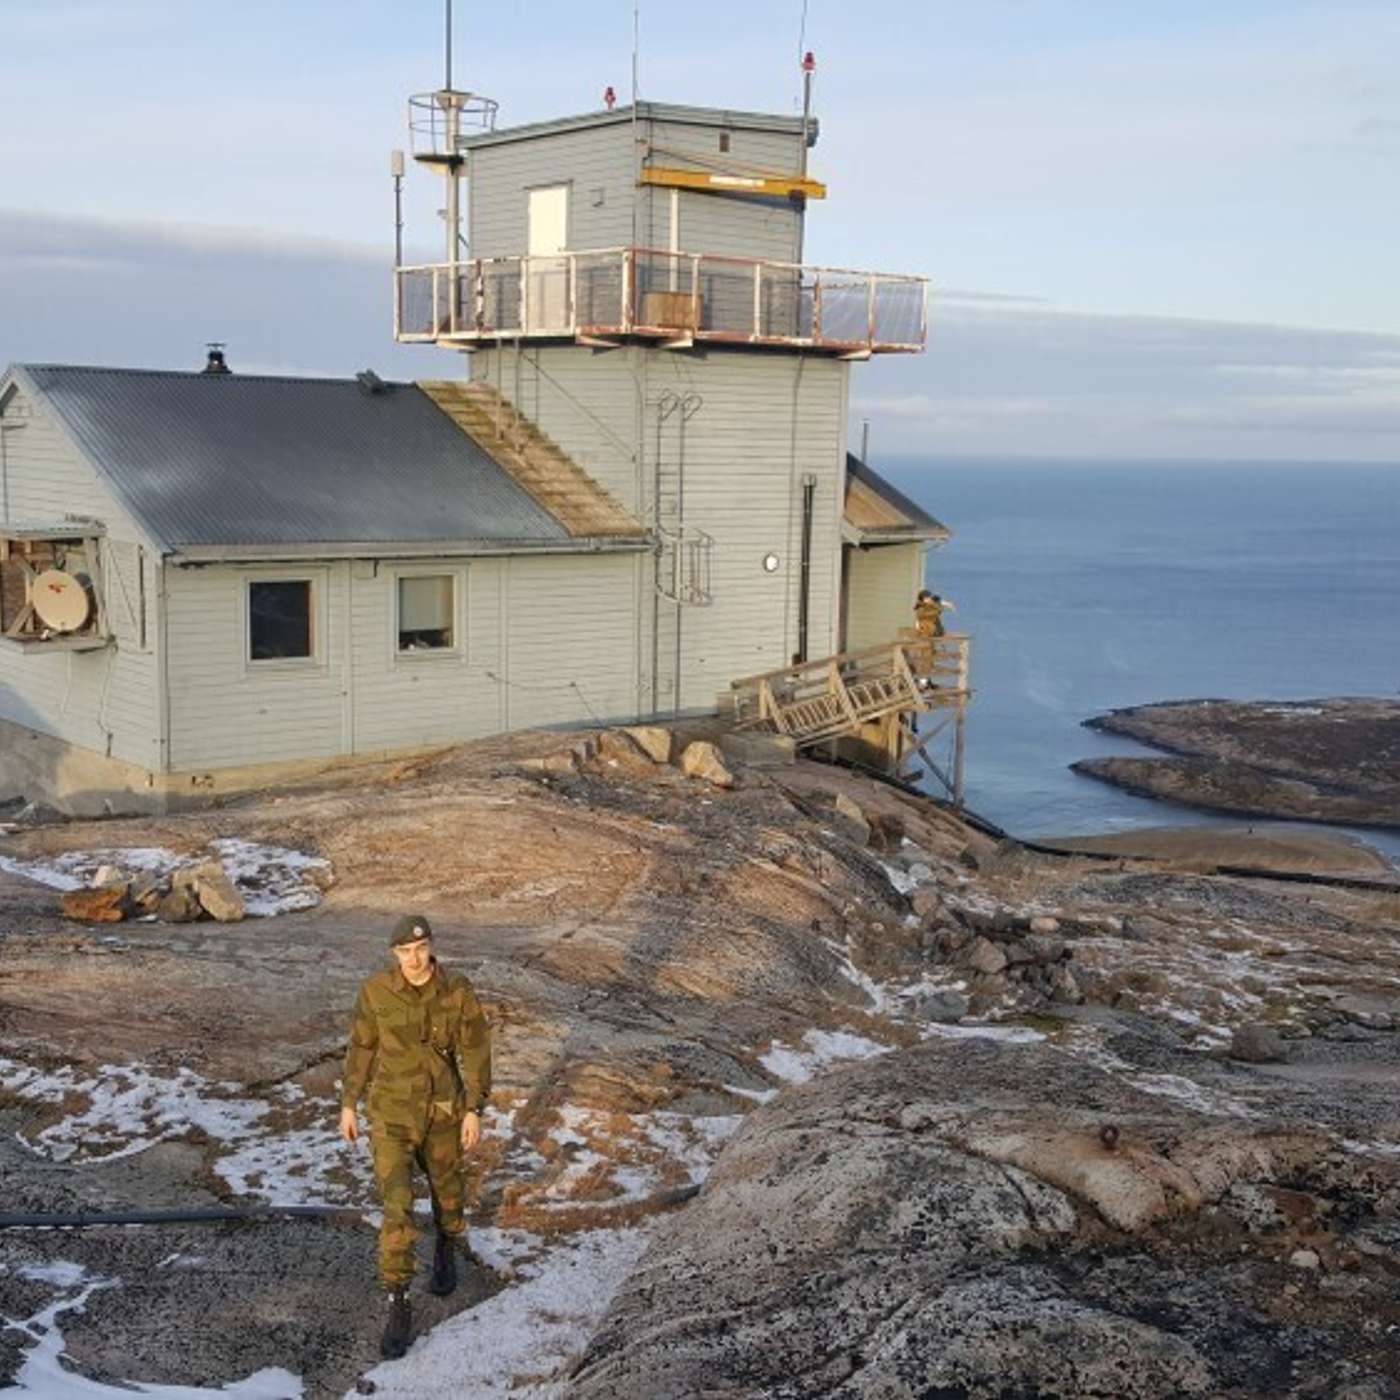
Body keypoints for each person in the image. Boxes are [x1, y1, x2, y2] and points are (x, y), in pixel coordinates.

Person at [340, 915, 492, 1359]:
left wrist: (473, 1110)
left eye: (420, 949)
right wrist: (349, 1102)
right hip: (390, 1115)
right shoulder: (375, 992)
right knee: (397, 1206)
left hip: (443, 1113)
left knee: (448, 1195)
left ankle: (447, 1243)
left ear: (431, 948)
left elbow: (476, 1051)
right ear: (395, 954)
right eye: (404, 951)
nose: (413, 958)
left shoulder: (457, 990)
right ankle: (398, 1300)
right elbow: (362, 1047)